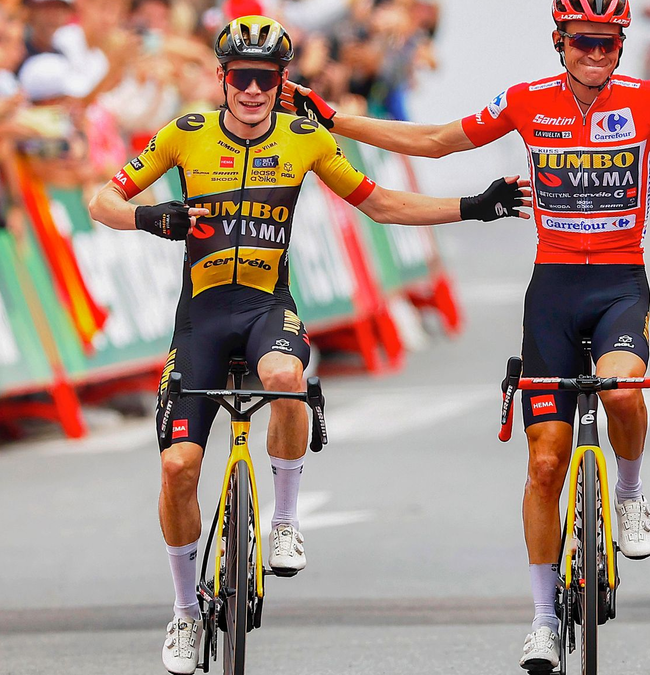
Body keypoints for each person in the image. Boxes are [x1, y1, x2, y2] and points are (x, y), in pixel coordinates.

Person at [282, 0, 650, 669]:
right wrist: (335, 117)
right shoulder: (525, 100)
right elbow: (436, 139)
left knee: (625, 393)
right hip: (553, 290)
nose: (596, 55)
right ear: (559, 42)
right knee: (545, 464)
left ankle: (628, 495)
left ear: (621, 45)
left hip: (619, 287)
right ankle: (543, 617)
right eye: (583, 43)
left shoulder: (648, 97)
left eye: (608, 44)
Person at [86, 15, 529, 674]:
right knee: (179, 467)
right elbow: (99, 200)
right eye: (243, 77)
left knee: (286, 376)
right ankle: (183, 611)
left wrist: (473, 205)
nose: (254, 91)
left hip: (268, 308)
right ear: (222, 78)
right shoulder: (185, 135)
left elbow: (381, 204)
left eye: (267, 79)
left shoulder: (304, 138)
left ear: (282, 82)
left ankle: (285, 519)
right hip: (201, 319)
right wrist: (152, 216)